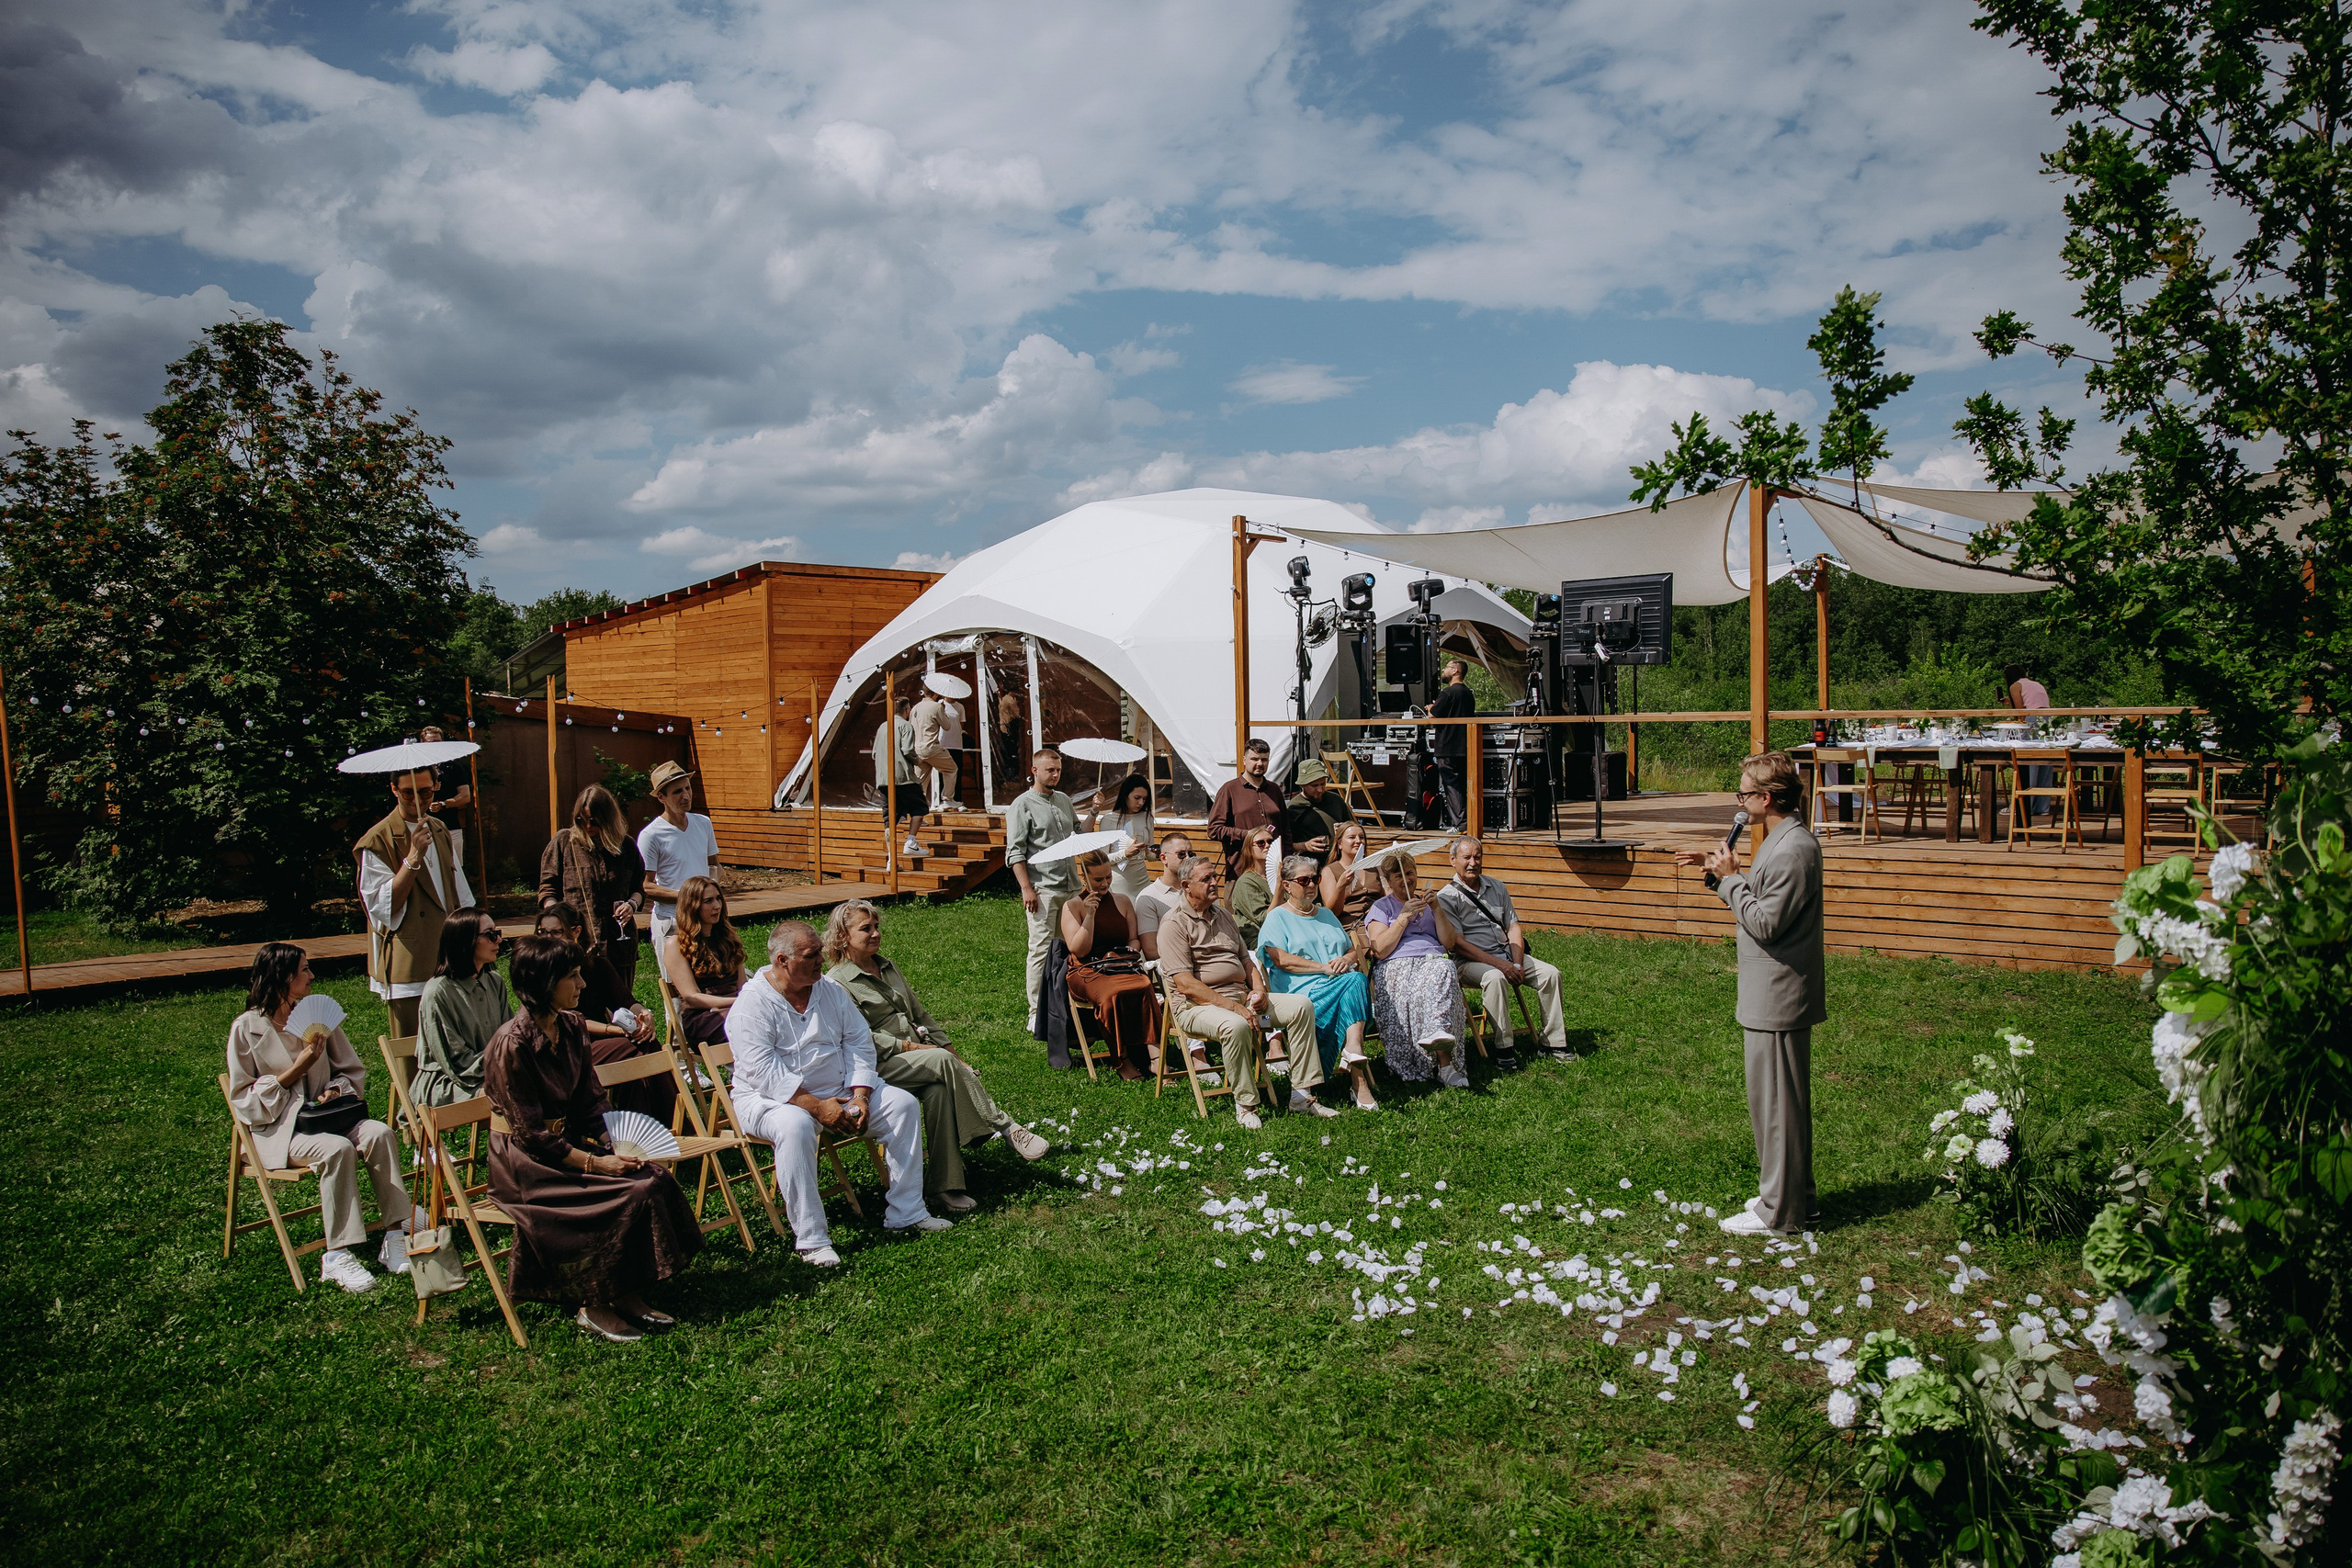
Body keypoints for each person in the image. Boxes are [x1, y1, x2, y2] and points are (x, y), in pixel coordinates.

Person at [483, 934, 703, 1342]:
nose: (583, 985)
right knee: (620, 1194)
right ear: (542, 983)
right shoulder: (510, 1045)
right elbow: (529, 1134)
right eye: (572, 976)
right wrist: (597, 1163)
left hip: (564, 1146)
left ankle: (626, 1290)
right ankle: (593, 1301)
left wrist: (611, 1143)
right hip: (524, 1163)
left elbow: (590, 1099)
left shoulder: (570, 1026)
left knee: (651, 1178)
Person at [724, 921, 947, 1266]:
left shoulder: (829, 990)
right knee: (794, 1126)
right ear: (782, 960)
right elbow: (763, 1071)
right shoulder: (751, 1005)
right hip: (769, 1101)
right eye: (811, 955)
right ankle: (812, 1239)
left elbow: (858, 1041)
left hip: (840, 1091)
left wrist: (860, 1094)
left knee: (902, 1104)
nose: (821, 961)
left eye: (819, 953)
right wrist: (816, 1107)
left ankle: (907, 1211)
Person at [1678, 751, 1825, 1238]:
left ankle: (1778, 1213)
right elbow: (1760, 897)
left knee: (1776, 1107)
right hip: (1770, 991)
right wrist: (1722, 870)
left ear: (1766, 798)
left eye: (1744, 794)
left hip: (1778, 994)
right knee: (1779, 1103)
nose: (1738, 802)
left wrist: (1731, 880)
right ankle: (1795, 1196)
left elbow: (1765, 921)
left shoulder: (1792, 849)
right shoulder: (1780, 840)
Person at [825, 899, 1050, 1207]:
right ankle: (1006, 1127)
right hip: (874, 1067)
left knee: (938, 1090)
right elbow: (861, 1039)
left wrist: (956, 1058)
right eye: (866, 929)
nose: (876, 933)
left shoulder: (887, 966)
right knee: (939, 1062)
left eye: (877, 926)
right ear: (842, 937)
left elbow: (922, 1016)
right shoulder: (837, 983)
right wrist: (917, 1048)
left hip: (920, 1058)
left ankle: (943, 1186)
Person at [226, 942, 424, 1292]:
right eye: (304, 969)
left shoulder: (315, 1016)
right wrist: (294, 1071)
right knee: (337, 1150)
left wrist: (336, 1088)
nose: (311, 975)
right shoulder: (246, 1028)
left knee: (380, 1133)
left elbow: (351, 1070)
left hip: (329, 1116)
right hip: (282, 1129)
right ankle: (337, 1255)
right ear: (284, 977)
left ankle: (395, 1235)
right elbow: (243, 1099)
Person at [1159, 853, 1329, 1127]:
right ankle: (1246, 1105)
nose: (1215, 882)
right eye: (1206, 879)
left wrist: (1259, 990)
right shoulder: (1173, 924)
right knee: (1236, 1025)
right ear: (1186, 886)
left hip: (1240, 997)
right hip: (1196, 1007)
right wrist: (1235, 1007)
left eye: (1215, 876)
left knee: (1301, 1006)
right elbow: (1185, 985)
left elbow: (1247, 960)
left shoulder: (1224, 914)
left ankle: (1301, 1094)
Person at [355, 764, 475, 1038]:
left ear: (435, 787)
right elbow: (384, 908)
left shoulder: (440, 829)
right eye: (408, 793)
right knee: (413, 1052)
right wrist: (413, 859)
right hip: (409, 961)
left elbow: (460, 895)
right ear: (394, 789)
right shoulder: (377, 840)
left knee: (455, 1040)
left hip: (448, 957)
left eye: (425, 792)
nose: (418, 801)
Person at [1437, 837, 1572, 1067]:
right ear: (1453, 860)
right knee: (1495, 977)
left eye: (1477, 857)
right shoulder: (1447, 897)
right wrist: (1502, 966)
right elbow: (1457, 944)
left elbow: (1513, 927)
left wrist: (1517, 964)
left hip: (1508, 955)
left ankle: (1553, 1043)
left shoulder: (1497, 887)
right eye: (1467, 857)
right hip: (1469, 963)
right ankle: (1504, 1048)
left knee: (1551, 974)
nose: (1473, 863)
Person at [1258, 855, 1378, 1111]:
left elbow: (1350, 951)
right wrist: (1323, 967)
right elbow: (1281, 960)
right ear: (1287, 885)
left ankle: (1354, 1057)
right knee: (1355, 982)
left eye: (1315, 879)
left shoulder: (1326, 914)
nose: (1311, 884)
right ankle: (1358, 1075)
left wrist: (1345, 961)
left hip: (1339, 985)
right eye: (1304, 880)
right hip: (1301, 993)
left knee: (1353, 979)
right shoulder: (1277, 917)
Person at [531, 903, 669, 1122]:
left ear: (575, 931)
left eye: (555, 932)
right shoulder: (539, 973)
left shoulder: (597, 966)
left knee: (646, 1044)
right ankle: (661, 1123)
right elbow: (568, 1019)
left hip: (602, 1041)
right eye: (542, 932)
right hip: (566, 1045)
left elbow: (625, 1001)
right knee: (634, 1046)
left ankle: (642, 1127)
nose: (547, 938)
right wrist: (614, 1031)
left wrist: (645, 1014)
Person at [538, 784, 647, 1021]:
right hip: (576, 943)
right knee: (580, 1009)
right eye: (582, 820)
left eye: (595, 821)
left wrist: (631, 905)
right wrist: (556, 921)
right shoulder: (564, 843)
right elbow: (547, 889)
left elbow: (639, 888)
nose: (588, 827)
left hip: (619, 943)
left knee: (621, 1004)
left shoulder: (626, 846)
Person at [1364, 850, 1469, 1089]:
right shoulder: (1382, 907)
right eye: (1398, 876)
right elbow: (1379, 949)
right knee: (1440, 971)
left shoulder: (1430, 903)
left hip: (1432, 964)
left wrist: (1437, 910)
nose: (1406, 879)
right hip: (1396, 967)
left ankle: (1440, 1047)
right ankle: (1443, 1061)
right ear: (1389, 882)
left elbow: (1449, 943)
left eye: (1410, 873)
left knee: (1442, 967)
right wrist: (1403, 918)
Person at [1059, 849, 1161, 1079]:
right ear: (1084, 877)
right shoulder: (1072, 906)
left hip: (1119, 965)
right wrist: (1090, 916)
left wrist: (1129, 951)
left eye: (1108, 877)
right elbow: (1079, 949)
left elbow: (1134, 939)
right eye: (1098, 879)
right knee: (1111, 995)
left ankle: (1156, 1057)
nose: (1105, 883)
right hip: (1087, 970)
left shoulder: (1123, 901)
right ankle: (1121, 1059)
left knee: (1145, 986)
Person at [1005, 747, 1079, 1032]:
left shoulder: (1063, 800)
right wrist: (1027, 889)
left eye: (1059, 770)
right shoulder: (1022, 805)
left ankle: (1067, 1003)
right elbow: (1015, 852)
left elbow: (1077, 835)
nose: (1056, 774)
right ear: (1035, 770)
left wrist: (1095, 812)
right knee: (1041, 950)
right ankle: (1036, 1012)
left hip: (1071, 887)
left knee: (1071, 948)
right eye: (1050, 770)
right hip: (1043, 889)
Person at [411, 909, 511, 1108]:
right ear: (466, 941)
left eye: (498, 933)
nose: (498, 940)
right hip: (449, 1081)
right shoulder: (438, 992)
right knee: (518, 1095)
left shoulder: (494, 982)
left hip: (493, 1073)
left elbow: (509, 1038)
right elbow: (455, 1062)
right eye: (490, 935)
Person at [638, 761, 722, 953]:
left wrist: (711, 896)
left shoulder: (703, 823)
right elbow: (645, 885)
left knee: (709, 978)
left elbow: (715, 866)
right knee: (675, 982)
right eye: (677, 792)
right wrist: (689, 898)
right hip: (672, 920)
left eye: (688, 788)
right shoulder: (651, 835)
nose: (686, 796)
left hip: (704, 919)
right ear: (661, 797)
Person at [661, 875, 750, 1048]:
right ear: (692, 907)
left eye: (718, 899)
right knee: (749, 1025)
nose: (716, 906)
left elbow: (742, 987)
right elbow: (692, 998)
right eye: (708, 901)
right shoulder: (676, 944)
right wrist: (739, 1002)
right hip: (703, 1018)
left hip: (737, 1010)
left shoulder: (728, 939)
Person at [1205, 737, 1285, 880]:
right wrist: (1248, 835)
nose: (1260, 763)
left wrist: (1286, 860)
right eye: (1254, 759)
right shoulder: (1229, 789)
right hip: (1241, 872)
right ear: (1244, 760)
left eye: (1264, 759)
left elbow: (1286, 830)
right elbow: (1214, 830)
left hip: (1274, 872)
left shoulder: (1275, 790)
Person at [1084, 773, 1155, 900]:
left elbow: (1149, 855)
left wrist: (1159, 853)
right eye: (1137, 798)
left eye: (1144, 799)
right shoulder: (1109, 819)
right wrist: (1125, 854)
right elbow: (1104, 858)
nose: (1140, 803)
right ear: (1125, 795)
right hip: (1119, 880)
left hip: (1142, 879)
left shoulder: (1147, 817)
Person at [874, 694, 925, 859]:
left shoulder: (882, 727)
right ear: (907, 710)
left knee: (890, 820)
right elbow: (908, 750)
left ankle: (891, 858)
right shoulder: (905, 726)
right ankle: (911, 842)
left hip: (883, 780)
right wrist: (918, 761)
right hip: (903, 777)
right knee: (920, 808)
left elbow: (875, 753)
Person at [416, 725, 474, 870]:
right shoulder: (417, 768)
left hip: (451, 826)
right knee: (429, 869)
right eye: (431, 743)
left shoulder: (453, 766)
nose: (435, 746)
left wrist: (444, 804)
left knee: (455, 869)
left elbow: (465, 796)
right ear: (422, 743)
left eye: (438, 742)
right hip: (425, 827)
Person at [1428, 658, 1476, 829]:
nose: (1443, 671)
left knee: (1451, 786)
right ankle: (1470, 821)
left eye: (1447, 667)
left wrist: (1429, 709)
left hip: (1448, 746)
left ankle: (1461, 824)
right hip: (1465, 746)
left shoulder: (1447, 693)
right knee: (1462, 784)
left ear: (1455, 671)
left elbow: (1433, 715)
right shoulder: (1467, 693)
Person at [1280, 759, 1354, 867]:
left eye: (1323, 784)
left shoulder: (1336, 801)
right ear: (1302, 785)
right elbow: (1283, 844)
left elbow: (1355, 828)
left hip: (1337, 863)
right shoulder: (1293, 808)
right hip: (1308, 866)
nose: (1320, 789)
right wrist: (1304, 846)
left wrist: (1345, 829)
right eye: (1314, 786)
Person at [2004, 663, 2055, 819]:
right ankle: (2042, 806)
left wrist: (2019, 726)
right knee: (2045, 761)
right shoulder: (2036, 684)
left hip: (2031, 719)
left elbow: (2021, 711)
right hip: (2046, 718)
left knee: (2029, 760)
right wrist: (2009, 703)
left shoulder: (2015, 686)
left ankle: (2024, 805)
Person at [1133, 829, 1192, 961]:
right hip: (1175, 967)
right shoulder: (1148, 897)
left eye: (1191, 854)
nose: (1188, 859)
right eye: (1181, 854)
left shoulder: (1197, 888)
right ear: (1164, 858)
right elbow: (1151, 951)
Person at [1320, 819, 1383, 932]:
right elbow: (1332, 913)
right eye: (1352, 837)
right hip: (1351, 927)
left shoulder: (1375, 867)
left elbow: (1388, 897)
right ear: (1339, 844)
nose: (1358, 841)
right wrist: (1340, 887)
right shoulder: (1330, 871)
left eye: (1362, 837)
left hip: (1379, 921)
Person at [1225, 822, 1279, 949]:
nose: (1267, 846)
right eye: (1261, 843)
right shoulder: (1246, 882)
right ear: (1249, 849)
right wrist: (1280, 889)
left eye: (1271, 842)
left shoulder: (1279, 876)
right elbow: (1265, 919)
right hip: (1260, 940)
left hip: (1283, 934)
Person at [911, 686, 958, 811]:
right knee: (951, 769)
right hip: (931, 747)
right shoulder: (936, 707)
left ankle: (917, 810)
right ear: (936, 694)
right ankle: (947, 799)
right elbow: (947, 726)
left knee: (920, 781)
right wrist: (943, 711)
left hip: (917, 748)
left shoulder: (915, 707)